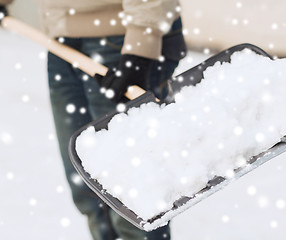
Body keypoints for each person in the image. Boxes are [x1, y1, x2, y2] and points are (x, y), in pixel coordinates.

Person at [0, 1, 186, 239]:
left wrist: (139, 47)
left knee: (131, 196)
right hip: (61, 40)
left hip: (120, 41)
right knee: (87, 187)